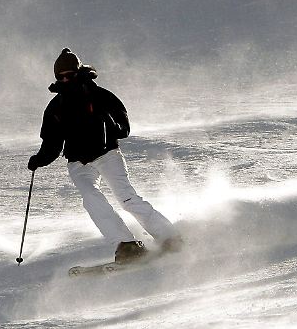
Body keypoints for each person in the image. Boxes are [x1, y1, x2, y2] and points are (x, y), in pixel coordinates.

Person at [28, 49, 182, 263]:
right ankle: (126, 245)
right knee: (90, 199)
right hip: (78, 163)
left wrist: (114, 127)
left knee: (127, 198)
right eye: (60, 76)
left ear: (78, 72)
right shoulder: (56, 107)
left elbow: (123, 123)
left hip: (107, 154)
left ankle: (169, 237)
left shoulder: (98, 95)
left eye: (69, 75)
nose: (64, 80)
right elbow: (52, 143)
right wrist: (39, 160)